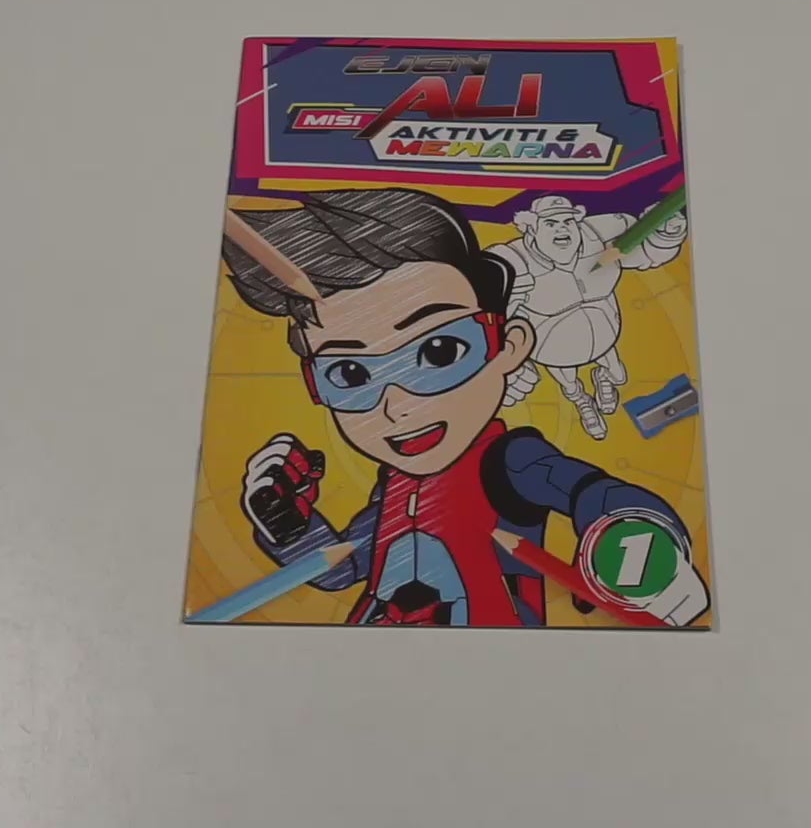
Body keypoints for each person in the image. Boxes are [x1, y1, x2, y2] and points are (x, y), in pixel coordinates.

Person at [222, 188, 708, 626]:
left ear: (509, 344)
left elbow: (591, 492)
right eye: (349, 375)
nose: (397, 406)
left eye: (440, 352)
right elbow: (344, 568)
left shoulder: (509, 462)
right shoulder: (395, 486)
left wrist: (640, 541)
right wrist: (289, 525)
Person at [487, 194, 688, 439]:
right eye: (550, 223)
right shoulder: (512, 262)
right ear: (531, 228)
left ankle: (602, 377)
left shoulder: (600, 235)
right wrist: (502, 362)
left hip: (605, 335)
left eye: (568, 221)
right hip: (554, 349)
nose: (562, 228)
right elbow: (483, 308)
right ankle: (582, 401)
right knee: (570, 384)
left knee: (619, 376)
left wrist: (666, 234)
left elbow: (647, 254)